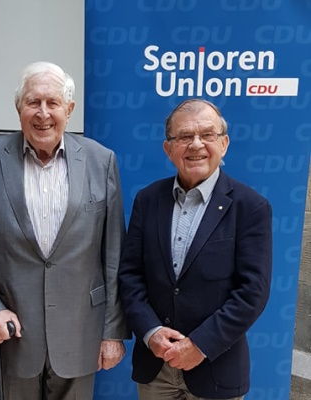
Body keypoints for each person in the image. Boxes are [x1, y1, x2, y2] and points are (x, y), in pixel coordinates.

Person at [0, 61, 129, 399]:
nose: (42, 113)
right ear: (19, 108)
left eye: (52, 103)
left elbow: (114, 255)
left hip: (81, 334)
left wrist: (112, 331)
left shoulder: (101, 161)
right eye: (33, 102)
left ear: (69, 109)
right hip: (13, 339)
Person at [118, 98, 272, 400]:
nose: (196, 144)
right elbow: (130, 276)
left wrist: (199, 345)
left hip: (216, 368)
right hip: (155, 367)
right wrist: (151, 333)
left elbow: (253, 291)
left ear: (224, 143)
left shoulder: (250, 207)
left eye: (207, 135)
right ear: (168, 148)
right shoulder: (147, 200)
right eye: (184, 136)